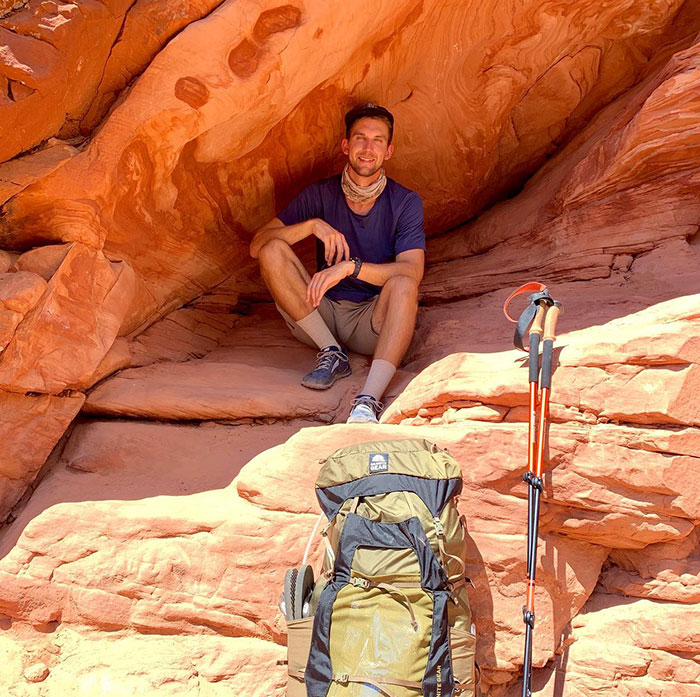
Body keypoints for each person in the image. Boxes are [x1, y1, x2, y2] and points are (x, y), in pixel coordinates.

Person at [250, 103, 425, 423]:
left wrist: (351, 267)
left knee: (403, 284)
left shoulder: (405, 202)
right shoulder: (321, 193)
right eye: (360, 138)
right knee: (272, 250)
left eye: (377, 140)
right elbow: (256, 245)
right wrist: (312, 225)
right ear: (346, 146)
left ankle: (368, 401)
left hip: (370, 320)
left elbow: (412, 270)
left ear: (388, 151)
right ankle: (331, 353)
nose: (367, 148)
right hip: (319, 311)